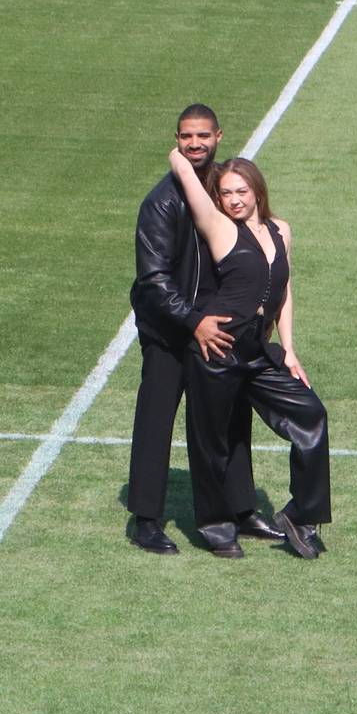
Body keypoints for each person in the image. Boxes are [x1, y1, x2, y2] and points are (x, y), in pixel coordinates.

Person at [166, 146, 329, 559]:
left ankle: (301, 514)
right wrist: (184, 149)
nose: (234, 199)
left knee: (311, 415)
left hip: (258, 352)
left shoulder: (281, 230)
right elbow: (183, 172)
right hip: (217, 350)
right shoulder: (219, 227)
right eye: (226, 193)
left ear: (257, 191)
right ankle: (217, 526)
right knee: (213, 442)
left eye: (241, 191)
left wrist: (289, 349)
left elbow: (285, 290)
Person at [123, 104, 265, 555]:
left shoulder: (224, 189)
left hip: (217, 328)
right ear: (178, 140)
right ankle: (145, 519)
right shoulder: (161, 202)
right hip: (172, 331)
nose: (196, 144)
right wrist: (193, 320)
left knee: (230, 417)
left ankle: (241, 509)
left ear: (219, 136)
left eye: (203, 135)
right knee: (156, 418)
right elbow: (153, 279)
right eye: (187, 137)